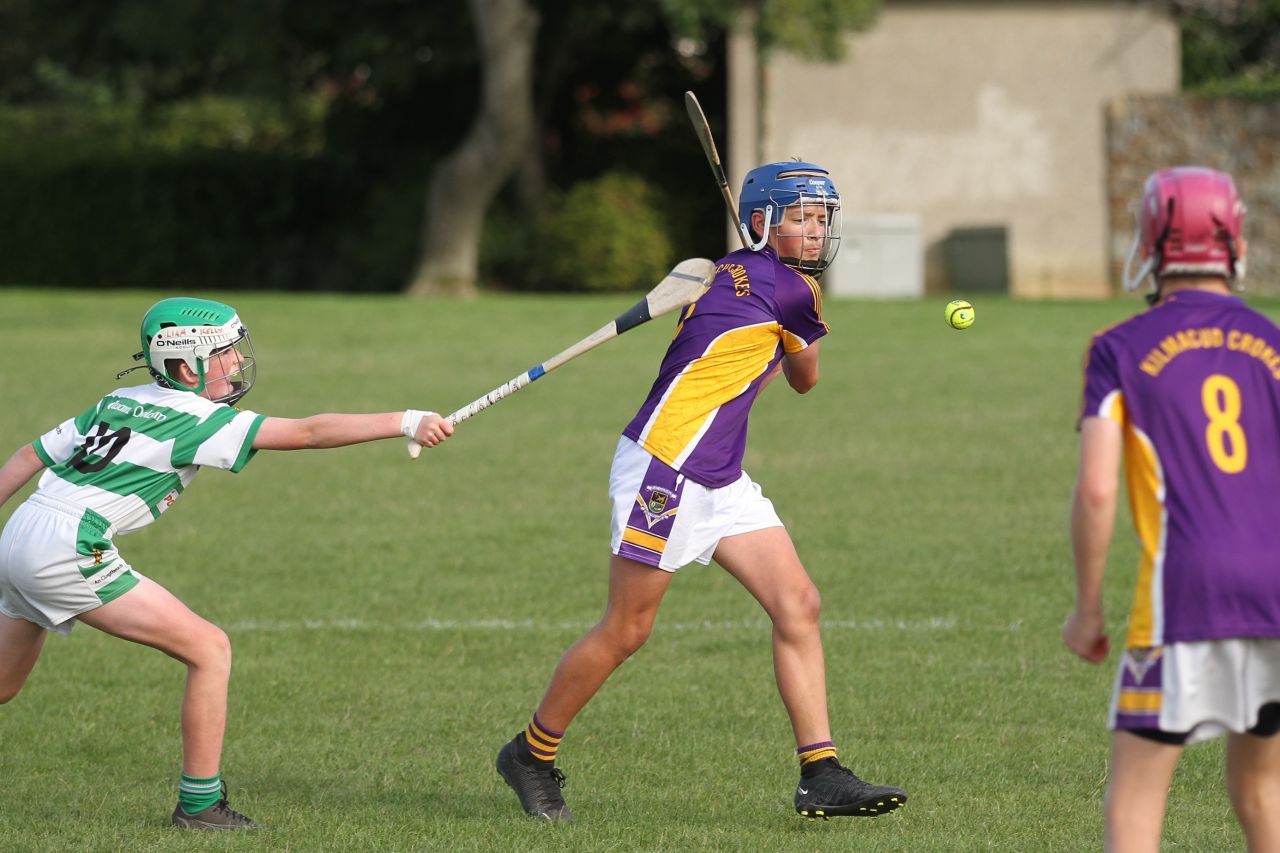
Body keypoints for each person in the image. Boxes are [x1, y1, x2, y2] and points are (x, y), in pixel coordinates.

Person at [495, 161, 908, 822]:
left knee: (798, 601)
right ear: (761, 223)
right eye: (800, 217)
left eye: (822, 218)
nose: (815, 231)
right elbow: (805, 378)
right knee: (627, 629)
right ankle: (530, 753)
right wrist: (789, 326)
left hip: (719, 474)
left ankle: (820, 771)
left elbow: (732, 356)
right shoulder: (795, 294)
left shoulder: (721, 271)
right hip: (666, 467)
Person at [0, 297, 453, 831]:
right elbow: (307, 433)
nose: (237, 363)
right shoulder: (198, 419)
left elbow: (32, 455)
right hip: (70, 544)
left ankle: (200, 807)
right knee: (210, 649)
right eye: (224, 354)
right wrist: (406, 420)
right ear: (186, 366)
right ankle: (199, 807)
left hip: (20, 535)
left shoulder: (120, 399)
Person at [1063, 166, 1280, 852]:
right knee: (1263, 789)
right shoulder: (1275, 341)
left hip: (1184, 594)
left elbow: (1098, 489)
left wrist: (1088, 608)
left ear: (1153, 242)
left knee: (1135, 801)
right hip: (1277, 593)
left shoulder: (1118, 347)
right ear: (1233, 241)